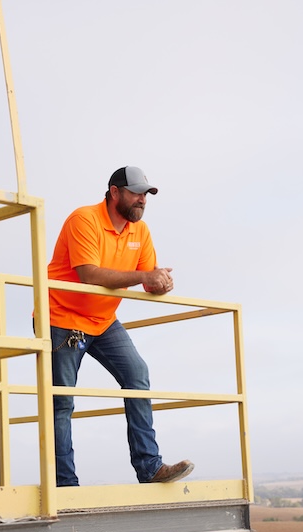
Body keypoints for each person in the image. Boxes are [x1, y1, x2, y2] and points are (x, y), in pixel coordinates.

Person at [46, 166, 194, 487]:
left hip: (103, 320)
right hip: (62, 318)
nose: (142, 200)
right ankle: (65, 485)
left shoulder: (140, 232)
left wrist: (160, 282)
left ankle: (150, 468)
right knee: (62, 401)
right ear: (115, 193)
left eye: (146, 194)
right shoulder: (83, 219)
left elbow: (147, 278)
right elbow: (90, 275)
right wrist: (144, 277)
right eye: (137, 193)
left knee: (136, 374)